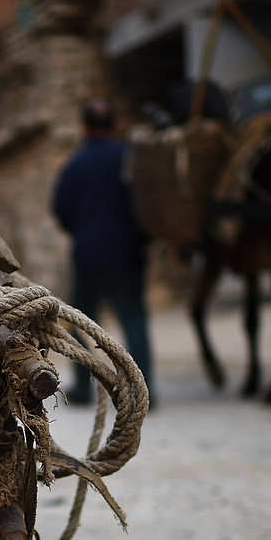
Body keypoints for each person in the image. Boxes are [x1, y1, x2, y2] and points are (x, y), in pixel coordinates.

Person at [51, 99, 153, 405]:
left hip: (88, 256)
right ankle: (142, 391)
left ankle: (83, 388)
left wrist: (83, 232)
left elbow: (60, 211)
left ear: (83, 127)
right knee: (133, 319)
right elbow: (146, 203)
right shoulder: (130, 158)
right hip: (128, 254)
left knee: (83, 322)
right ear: (116, 124)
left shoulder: (74, 164)